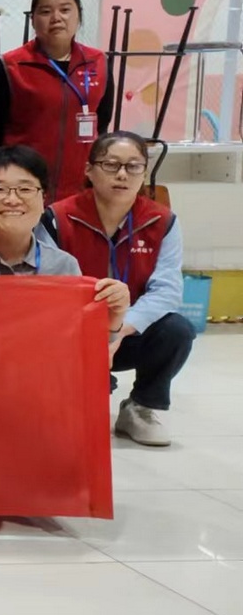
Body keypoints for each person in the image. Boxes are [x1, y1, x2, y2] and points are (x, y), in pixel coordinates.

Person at [52, 132, 196, 447]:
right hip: (70, 333)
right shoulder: (57, 218)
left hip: (127, 333)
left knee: (177, 330)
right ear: (89, 170)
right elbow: (47, 287)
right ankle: (77, 396)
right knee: (77, 428)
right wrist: (93, 333)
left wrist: (116, 332)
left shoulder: (162, 221)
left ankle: (141, 407)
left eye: (133, 166)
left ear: (144, 172)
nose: (122, 174)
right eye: (111, 164)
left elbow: (167, 291)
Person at [0, 146, 132, 344]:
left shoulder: (62, 267)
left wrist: (113, 320)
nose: (13, 199)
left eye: (26, 189)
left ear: (43, 200)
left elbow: (80, 345)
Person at [0, 0, 114, 201]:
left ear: (78, 16)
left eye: (65, 10)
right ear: (33, 19)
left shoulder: (98, 62)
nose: (56, 18)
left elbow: (102, 120)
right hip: (23, 186)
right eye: (45, 11)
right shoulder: (11, 65)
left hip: (80, 185)